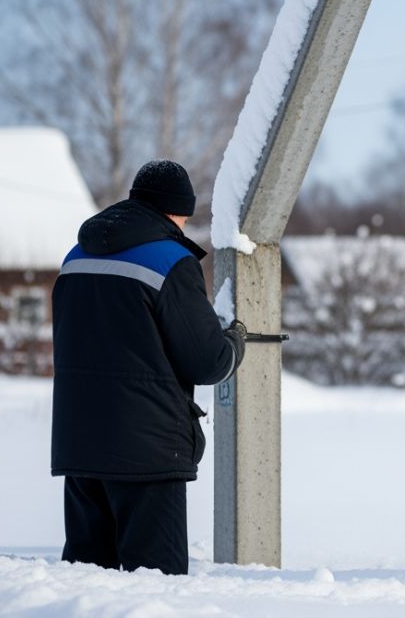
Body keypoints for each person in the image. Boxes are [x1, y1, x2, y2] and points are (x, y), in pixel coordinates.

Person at [50, 160, 249, 575]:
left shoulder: (76, 256)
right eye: (184, 215)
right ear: (174, 211)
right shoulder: (170, 261)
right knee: (156, 584)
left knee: (87, 582)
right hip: (148, 453)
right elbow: (207, 361)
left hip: (80, 444)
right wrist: (234, 343)